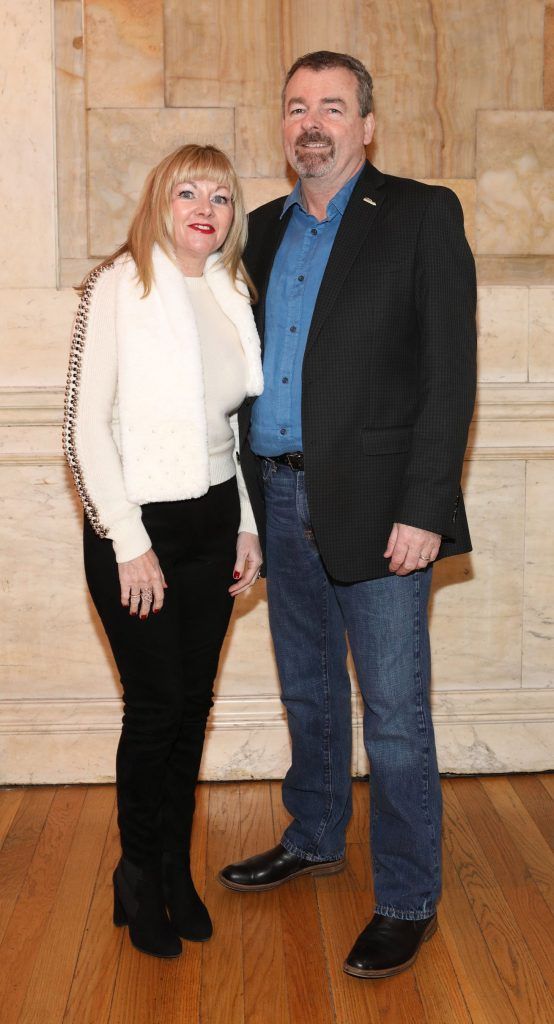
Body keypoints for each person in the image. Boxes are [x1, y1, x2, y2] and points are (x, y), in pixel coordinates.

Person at [219, 51, 477, 979]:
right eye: (296, 107)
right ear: (283, 127)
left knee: (398, 715)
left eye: (332, 106)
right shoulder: (256, 232)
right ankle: (316, 833)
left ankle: (407, 897)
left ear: (368, 125)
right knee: (307, 689)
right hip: (277, 495)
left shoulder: (419, 214)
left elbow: (449, 377)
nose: (312, 122)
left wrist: (425, 508)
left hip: (380, 512)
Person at [63, 144, 263, 959]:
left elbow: (231, 431)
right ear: (160, 201)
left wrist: (247, 523)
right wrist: (128, 542)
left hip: (216, 521)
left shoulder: (230, 291)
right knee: (153, 713)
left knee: (192, 711)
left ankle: (174, 871)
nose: (204, 207)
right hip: (136, 525)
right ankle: (138, 874)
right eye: (188, 191)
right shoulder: (118, 283)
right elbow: (82, 428)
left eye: (220, 194)